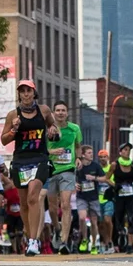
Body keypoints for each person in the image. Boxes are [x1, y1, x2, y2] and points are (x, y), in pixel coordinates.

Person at [1, 79, 59, 256]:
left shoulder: (44, 110)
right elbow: (3, 140)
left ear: (34, 92)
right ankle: (29, 235)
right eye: (22, 91)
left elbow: (55, 129)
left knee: (34, 196)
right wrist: (14, 130)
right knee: (25, 203)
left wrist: (53, 131)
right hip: (20, 161)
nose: (26, 94)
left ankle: (34, 241)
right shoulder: (13, 115)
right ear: (19, 94)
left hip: (40, 158)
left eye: (29, 90)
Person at [46, 100, 83, 254]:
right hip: (50, 170)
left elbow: (78, 146)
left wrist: (78, 158)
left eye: (63, 110)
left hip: (68, 170)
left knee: (66, 204)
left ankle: (64, 242)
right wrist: (51, 152)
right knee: (53, 208)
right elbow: (40, 149)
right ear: (53, 113)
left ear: (67, 113)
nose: (60, 112)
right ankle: (57, 228)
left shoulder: (75, 129)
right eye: (58, 110)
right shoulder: (48, 130)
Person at [108, 142, 133, 252]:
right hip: (119, 195)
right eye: (124, 149)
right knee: (118, 219)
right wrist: (115, 185)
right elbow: (107, 178)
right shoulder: (114, 164)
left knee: (132, 219)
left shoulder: (132, 165)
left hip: (130, 195)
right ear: (120, 152)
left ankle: (130, 245)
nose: (127, 151)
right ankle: (117, 243)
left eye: (128, 150)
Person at [75, 145, 104, 253]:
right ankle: (84, 239)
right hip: (81, 197)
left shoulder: (95, 166)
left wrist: (94, 178)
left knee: (94, 221)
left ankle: (94, 244)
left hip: (93, 197)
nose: (91, 154)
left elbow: (105, 178)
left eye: (92, 152)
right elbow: (71, 177)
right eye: (89, 153)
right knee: (82, 218)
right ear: (82, 155)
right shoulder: (78, 166)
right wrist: (75, 184)